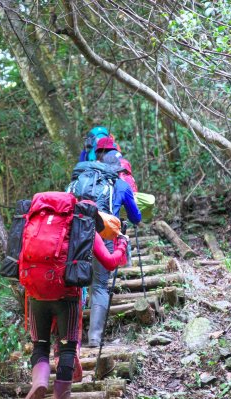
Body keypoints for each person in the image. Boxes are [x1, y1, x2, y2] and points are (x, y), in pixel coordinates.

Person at [26, 232, 129, 399]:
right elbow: (110, 262)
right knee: (67, 347)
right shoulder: (84, 223)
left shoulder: (37, 220)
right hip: (67, 294)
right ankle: (61, 395)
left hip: (37, 292)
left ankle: (40, 382)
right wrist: (122, 243)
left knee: (40, 346)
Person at [85, 137, 141, 347]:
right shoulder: (121, 185)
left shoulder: (84, 183)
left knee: (77, 283)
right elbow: (136, 219)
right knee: (99, 286)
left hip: (77, 235)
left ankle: (69, 339)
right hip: (105, 238)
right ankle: (94, 337)